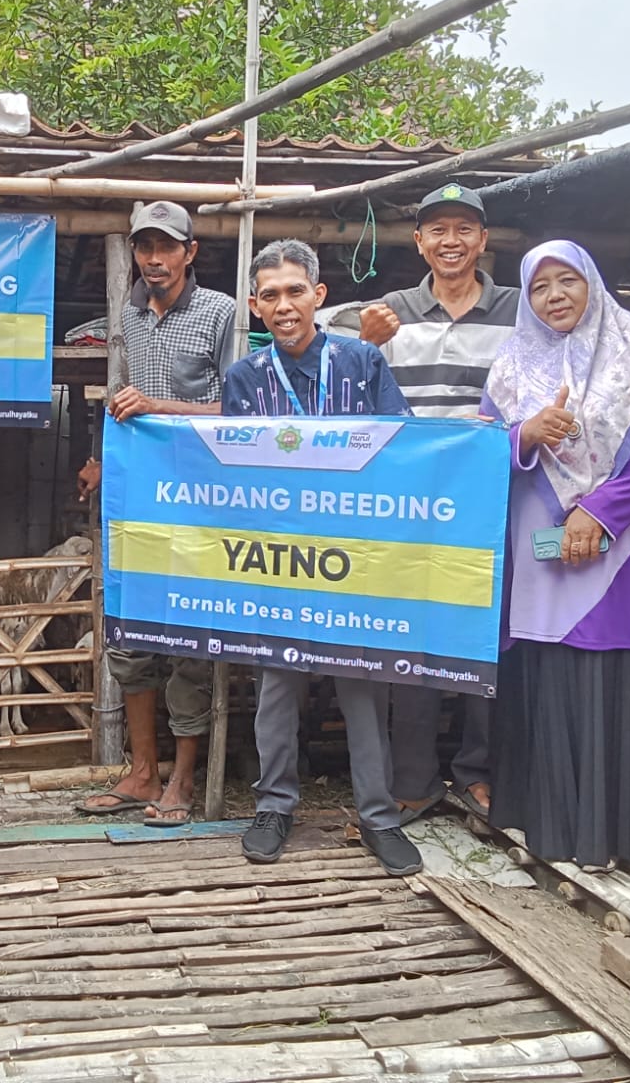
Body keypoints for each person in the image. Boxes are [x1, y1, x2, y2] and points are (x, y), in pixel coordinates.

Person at [481, 240, 630, 871]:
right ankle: (553, 821)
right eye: (540, 286)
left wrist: (600, 508)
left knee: (619, 660)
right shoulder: (512, 361)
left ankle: (627, 832)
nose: (555, 296)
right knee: (552, 666)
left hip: (628, 535)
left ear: (592, 280)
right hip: (539, 538)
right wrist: (526, 434)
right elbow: (486, 445)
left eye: (566, 279)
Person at [220, 239, 419, 873]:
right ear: (255, 307)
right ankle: (274, 806)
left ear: (319, 297)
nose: (284, 306)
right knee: (277, 684)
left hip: (352, 560)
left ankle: (378, 817)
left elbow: (400, 446)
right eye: (270, 296)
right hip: (280, 560)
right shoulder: (245, 379)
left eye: (295, 292)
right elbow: (235, 471)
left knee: (363, 687)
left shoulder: (361, 361)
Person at [325, 182, 518, 826]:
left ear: (484, 240)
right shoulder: (384, 311)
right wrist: (366, 346)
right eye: (437, 230)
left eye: (464, 228)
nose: (451, 241)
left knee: (486, 637)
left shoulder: (521, 312)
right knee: (412, 635)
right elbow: (333, 382)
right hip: (411, 505)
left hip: (495, 500)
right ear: (418, 242)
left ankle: (480, 774)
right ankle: (414, 780)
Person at [75, 202, 237, 826]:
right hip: (139, 497)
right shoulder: (130, 314)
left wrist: (160, 407)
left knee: (190, 641)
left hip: (201, 502)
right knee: (133, 636)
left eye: (166, 247)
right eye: (145, 247)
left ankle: (184, 780)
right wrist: (98, 458)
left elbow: (238, 409)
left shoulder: (220, 312)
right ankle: (142, 774)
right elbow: (122, 402)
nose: (154, 259)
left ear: (190, 252)